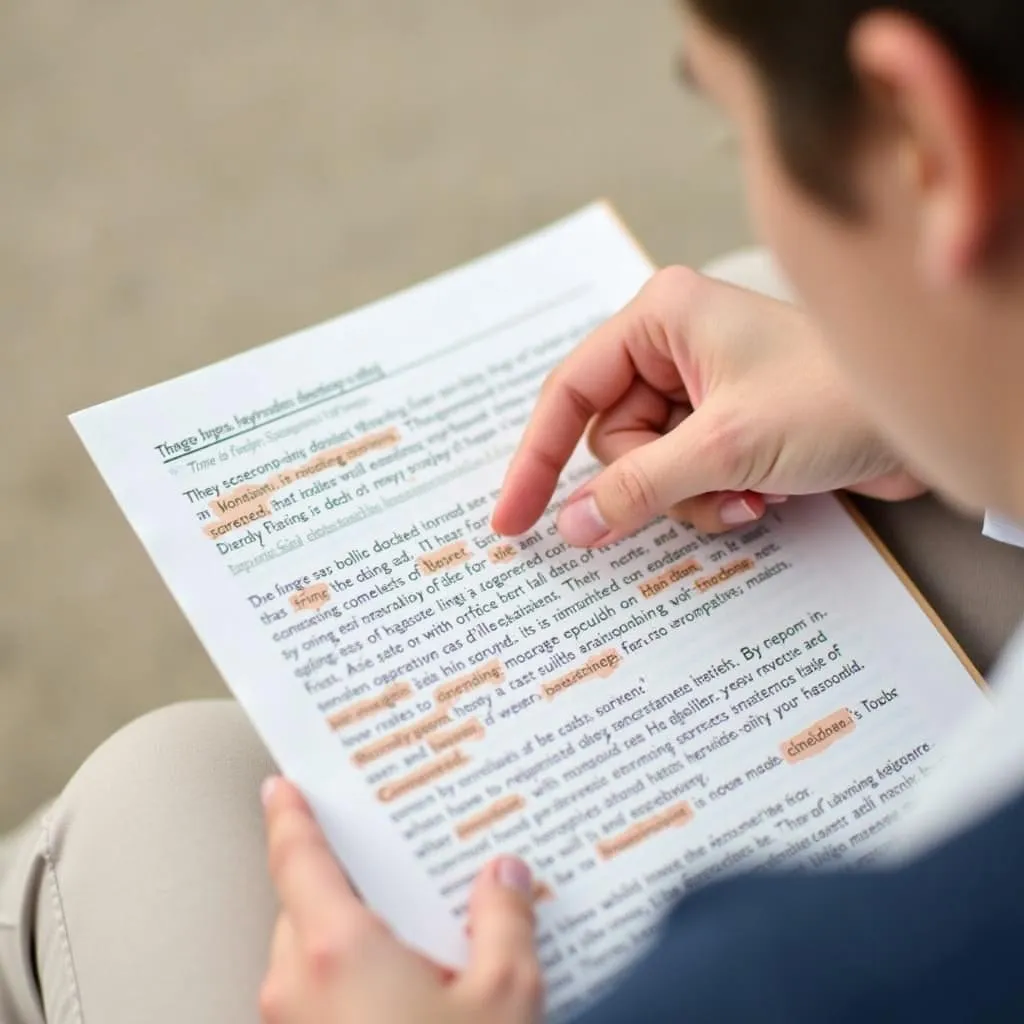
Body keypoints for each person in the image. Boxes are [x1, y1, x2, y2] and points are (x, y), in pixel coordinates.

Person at [4, 0, 1024, 1020]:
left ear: (923, 141)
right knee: (748, 295)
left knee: (160, 793)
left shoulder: (787, 976)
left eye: (735, 133)